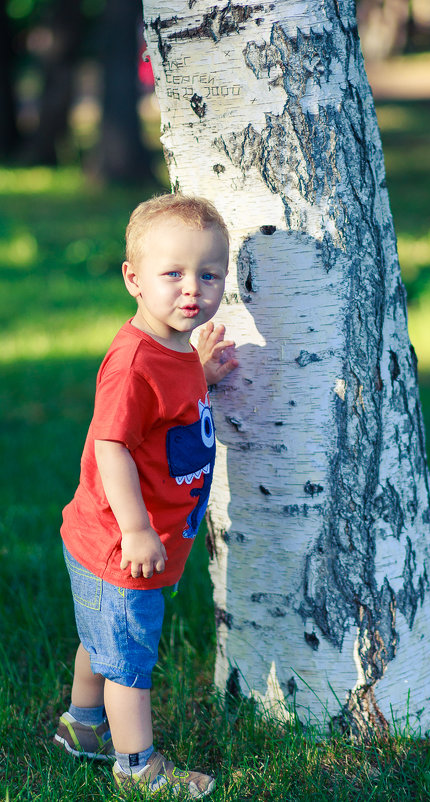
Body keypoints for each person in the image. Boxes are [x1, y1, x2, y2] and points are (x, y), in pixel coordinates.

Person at [53, 193, 237, 798]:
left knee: (102, 639)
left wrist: (201, 374)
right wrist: (135, 529)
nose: (192, 290)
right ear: (133, 279)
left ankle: (82, 728)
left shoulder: (174, 345)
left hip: (114, 542)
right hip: (120, 545)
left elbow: (171, 404)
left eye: (208, 274)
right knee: (130, 662)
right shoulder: (133, 362)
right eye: (173, 274)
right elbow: (112, 446)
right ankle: (139, 769)